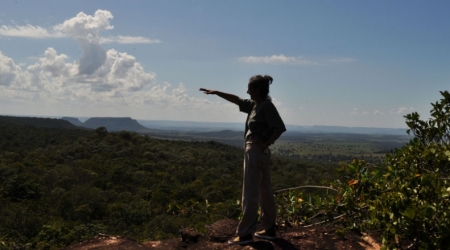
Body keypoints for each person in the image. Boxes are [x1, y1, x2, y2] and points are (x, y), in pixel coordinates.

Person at [200, 74, 286, 245]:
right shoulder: (255, 105)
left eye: (250, 88)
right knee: (264, 190)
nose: (247, 91)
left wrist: (267, 142)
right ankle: (269, 229)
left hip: (256, 150)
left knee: (250, 192)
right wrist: (217, 92)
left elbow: (279, 128)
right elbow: (237, 100)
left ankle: (245, 234)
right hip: (258, 151)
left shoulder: (266, 106)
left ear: (258, 90)